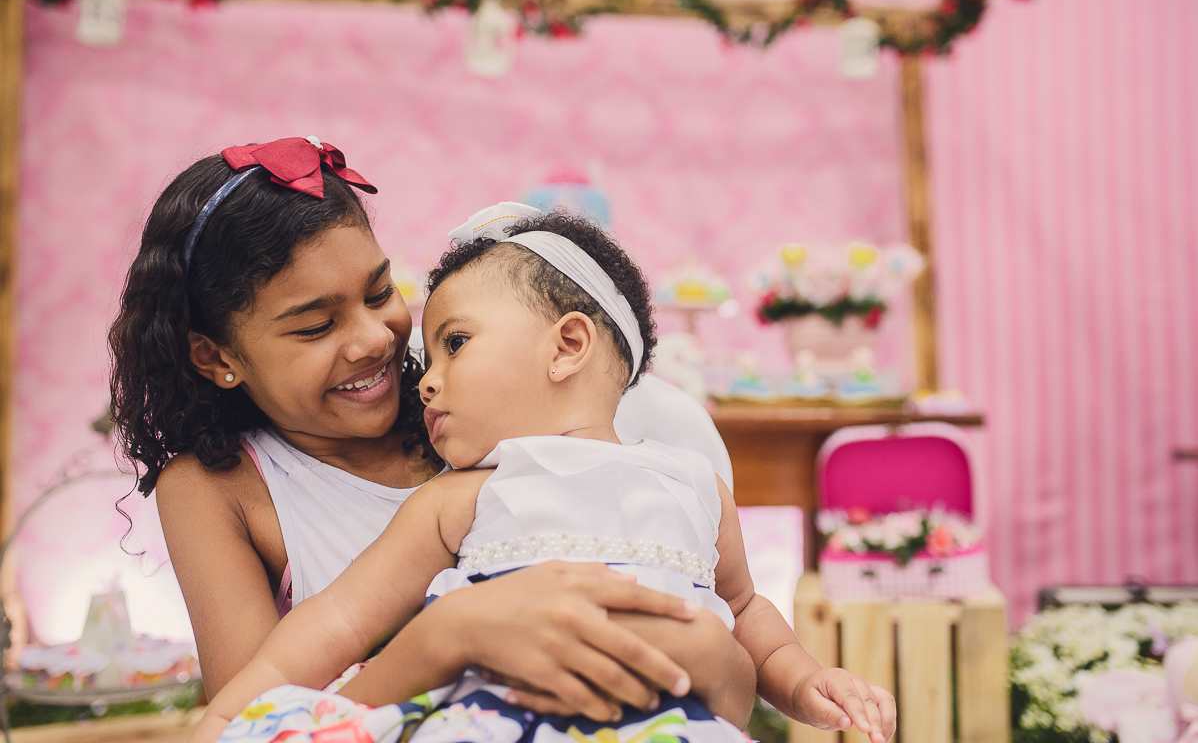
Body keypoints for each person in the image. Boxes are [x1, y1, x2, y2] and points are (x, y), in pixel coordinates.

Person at [109, 137, 755, 726]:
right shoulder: (220, 488)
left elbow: (723, 644)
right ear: (216, 357)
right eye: (313, 326)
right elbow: (255, 720)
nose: (373, 339)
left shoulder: (493, 426)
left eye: (379, 291)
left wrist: (723, 663)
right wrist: (450, 633)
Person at [191, 205, 897, 743]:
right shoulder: (463, 496)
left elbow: (743, 611)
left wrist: (805, 683)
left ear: (567, 346)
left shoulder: (691, 481)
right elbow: (339, 618)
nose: (426, 382)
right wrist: (228, 711)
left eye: (455, 345)